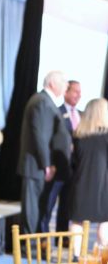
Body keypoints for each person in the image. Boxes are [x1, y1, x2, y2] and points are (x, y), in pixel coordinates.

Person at [17, 70, 67, 234]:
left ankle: (32, 245)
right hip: (36, 165)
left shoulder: (45, 101)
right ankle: (28, 247)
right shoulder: (42, 102)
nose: (65, 86)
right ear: (52, 83)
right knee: (32, 208)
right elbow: (41, 136)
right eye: (63, 82)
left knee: (36, 207)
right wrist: (47, 165)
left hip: (39, 165)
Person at [68, 97, 108, 247]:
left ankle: (76, 258)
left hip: (80, 185)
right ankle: (101, 260)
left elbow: (74, 162)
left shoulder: (78, 137)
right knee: (104, 223)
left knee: (77, 221)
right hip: (103, 186)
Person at [45, 79, 82, 233]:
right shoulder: (56, 111)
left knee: (67, 205)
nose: (78, 95)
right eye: (75, 91)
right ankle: (43, 237)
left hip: (74, 169)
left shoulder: (83, 114)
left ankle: (63, 237)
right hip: (58, 166)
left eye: (80, 92)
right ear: (65, 92)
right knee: (49, 203)